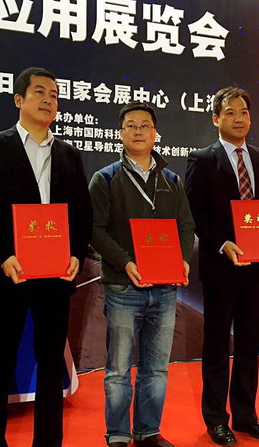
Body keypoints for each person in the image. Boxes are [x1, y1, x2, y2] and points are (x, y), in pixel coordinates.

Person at [0, 66, 92, 447]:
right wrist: (3, 257)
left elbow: (82, 214)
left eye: (54, 95)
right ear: (19, 99)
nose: (48, 100)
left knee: (51, 366)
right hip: (7, 275)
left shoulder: (69, 155)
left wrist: (76, 254)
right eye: (40, 92)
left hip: (55, 278)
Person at [89, 102, 195, 447]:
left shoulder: (172, 180)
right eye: (131, 125)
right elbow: (95, 230)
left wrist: (182, 259)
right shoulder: (105, 178)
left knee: (157, 368)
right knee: (119, 369)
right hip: (124, 287)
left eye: (145, 125)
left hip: (164, 289)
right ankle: (118, 434)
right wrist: (125, 262)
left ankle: (148, 431)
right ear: (120, 133)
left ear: (155, 133)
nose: (138, 131)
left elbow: (185, 226)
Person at [185, 86, 259, 446]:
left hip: (257, 269)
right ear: (216, 118)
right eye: (230, 112)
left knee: (248, 344)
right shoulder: (202, 160)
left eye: (244, 112)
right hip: (221, 268)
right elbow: (195, 212)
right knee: (216, 346)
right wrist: (223, 243)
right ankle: (216, 420)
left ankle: (245, 416)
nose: (239, 119)